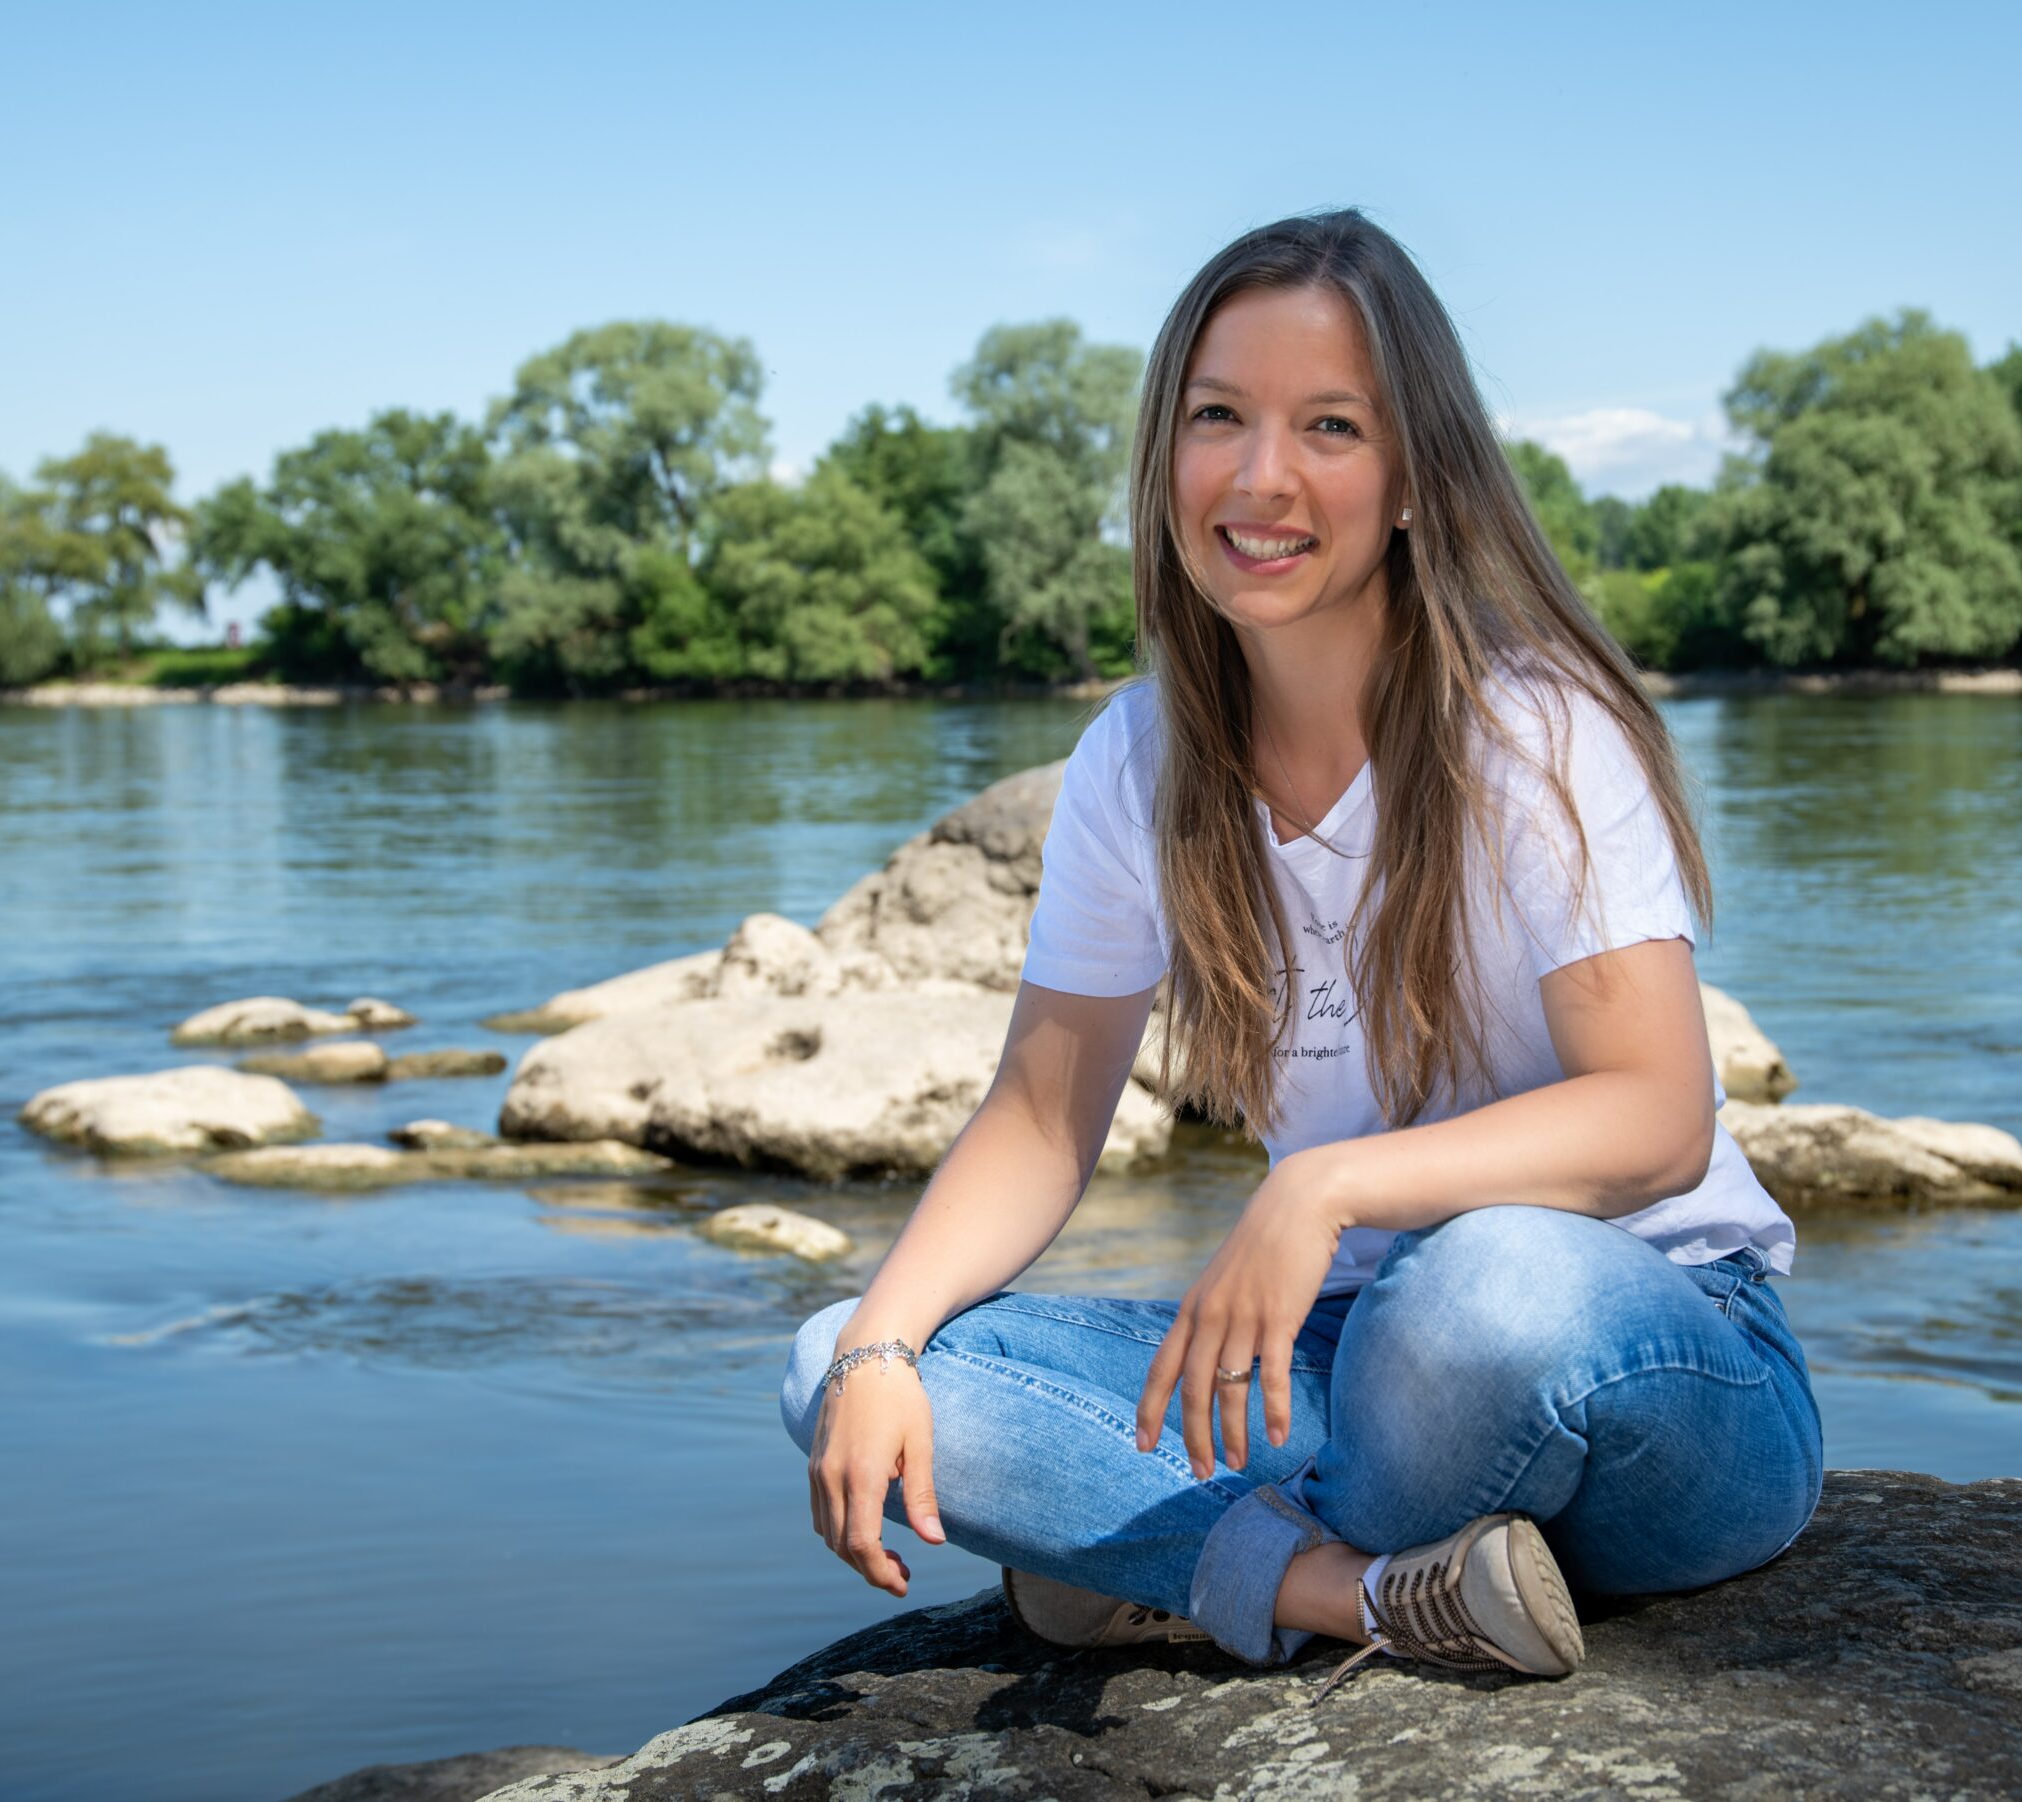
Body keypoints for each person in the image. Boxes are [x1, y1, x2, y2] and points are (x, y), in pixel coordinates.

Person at [778, 208, 1822, 1705]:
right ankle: (1361, 1590)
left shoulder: (1536, 733)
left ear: (1412, 476)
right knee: (831, 1361)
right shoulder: (1138, 762)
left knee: (1484, 1292)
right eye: (1219, 417)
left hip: (1660, 1363)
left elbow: (1659, 1117)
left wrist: (1322, 1183)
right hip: (1345, 1370)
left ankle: (1168, 1568)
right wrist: (883, 1346)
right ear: (1165, 455)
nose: (1262, 477)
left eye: (1330, 425)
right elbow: (1036, 1118)